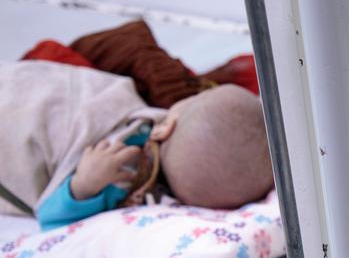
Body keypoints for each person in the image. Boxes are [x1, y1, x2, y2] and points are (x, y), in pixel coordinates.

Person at [0, 61, 273, 230]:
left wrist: (83, 187)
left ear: (166, 127)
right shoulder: (136, 121)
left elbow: (52, 219)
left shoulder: (118, 179)